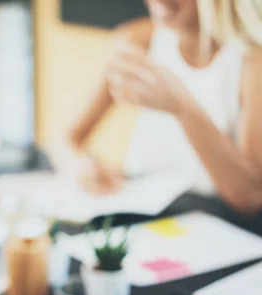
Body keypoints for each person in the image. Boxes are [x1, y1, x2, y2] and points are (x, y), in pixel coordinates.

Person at [52, 0, 262, 216]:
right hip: (142, 213)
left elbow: (250, 196)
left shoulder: (251, 58)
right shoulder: (138, 41)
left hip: (214, 220)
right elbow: (65, 141)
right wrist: (81, 169)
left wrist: (181, 106)